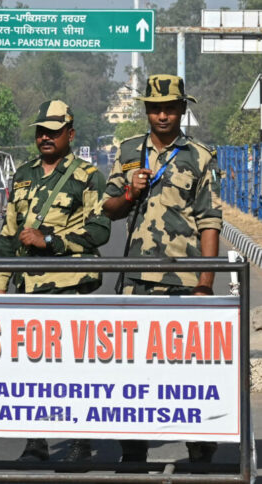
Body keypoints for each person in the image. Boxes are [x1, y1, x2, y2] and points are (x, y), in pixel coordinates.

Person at [101, 74, 221, 466]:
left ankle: (199, 445)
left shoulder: (200, 156)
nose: (163, 115)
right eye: (155, 108)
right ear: (147, 111)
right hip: (135, 280)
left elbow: (209, 222)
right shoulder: (128, 150)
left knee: (188, 370)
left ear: (183, 109)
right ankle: (133, 448)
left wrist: (205, 285)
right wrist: (130, 190)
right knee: (132, 369)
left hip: (183, 281)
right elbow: (110, 209)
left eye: (170, 107)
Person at [0, 100, 110, 464]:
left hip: (71, 288)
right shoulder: (22, 174)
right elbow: (9, 233)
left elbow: (100, 229)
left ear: (70, 135)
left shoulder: (88, 175)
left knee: (75, 368)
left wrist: (52, 242)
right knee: (30, 368)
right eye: (41, 131)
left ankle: (79, 441)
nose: (45, 137)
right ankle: (35, 442)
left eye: (54, 131)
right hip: (29, 289)